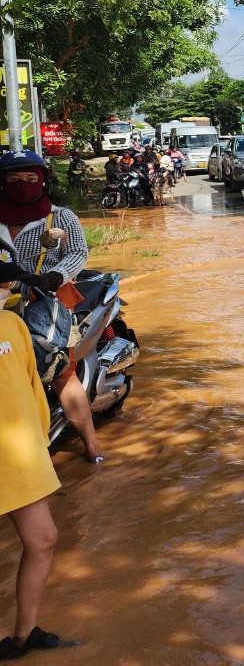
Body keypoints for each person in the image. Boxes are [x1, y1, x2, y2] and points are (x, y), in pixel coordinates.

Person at [0, 152, 102, 463]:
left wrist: (56, 275)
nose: (23, 186)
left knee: (58, 371)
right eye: (14, 180)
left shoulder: (59, 216)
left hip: (47, 301)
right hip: (4, 300)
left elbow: (77, 253)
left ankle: (92, 447)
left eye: (31, 180)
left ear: (43, 181)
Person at [0, 256, 69, 660]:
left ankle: (23, 637)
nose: (7, 289)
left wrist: (40, 440)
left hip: (20, 455)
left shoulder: (13, 326)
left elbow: (31, 387)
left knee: (43, 539)